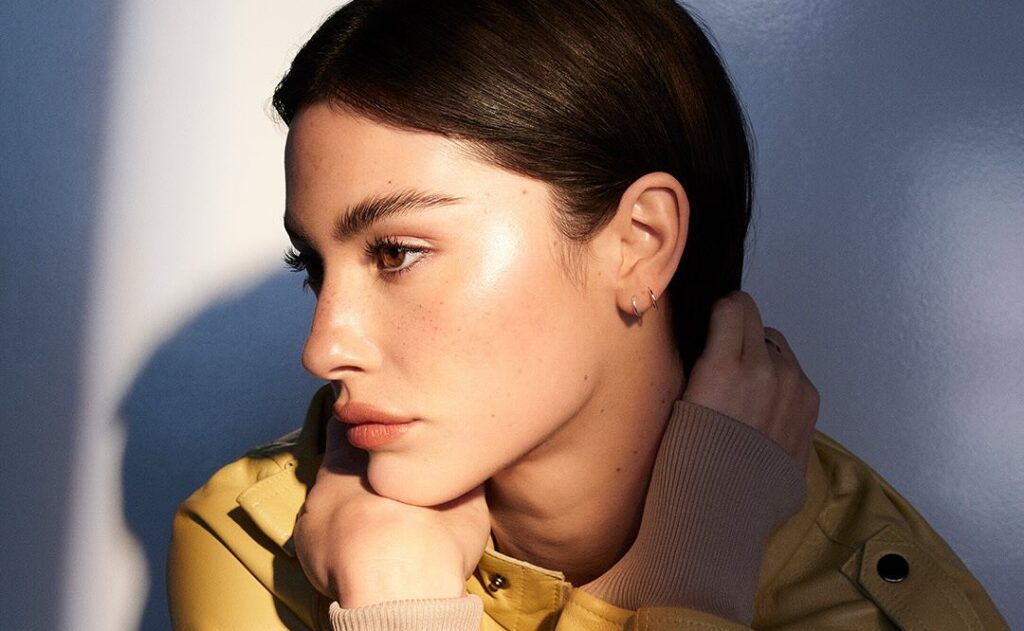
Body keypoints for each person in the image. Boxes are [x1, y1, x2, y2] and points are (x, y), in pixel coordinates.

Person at [167, 1, 1008, 629]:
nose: (323, 347)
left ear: (640, 242)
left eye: (396, 252)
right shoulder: (259, 540)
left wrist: (689, 569)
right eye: (315, 267)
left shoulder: (880, 603)